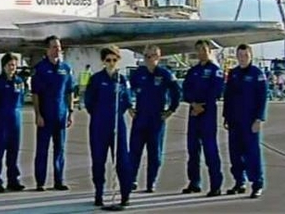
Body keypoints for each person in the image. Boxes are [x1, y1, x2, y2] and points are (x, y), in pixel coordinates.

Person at [85, 45, 133, 207]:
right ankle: (98, 193)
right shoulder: (96, 79)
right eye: (108, 60)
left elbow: (127, 101)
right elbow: (89, 103)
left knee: (122, 161)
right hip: (99, 126)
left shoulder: (122, 80)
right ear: (103, 61)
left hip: (117, 125)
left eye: (114, 60)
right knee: (98, 161)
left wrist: (116, 115)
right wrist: (101, 116)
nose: (111, 63)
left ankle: (125, 195)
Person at [129, 45, 180, 193]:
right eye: (146, 56)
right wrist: (129, 107)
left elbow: (176, 91)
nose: (148, 59)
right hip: (140, 119)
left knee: (155, 154)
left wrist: (171, 110)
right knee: (134, 152)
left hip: (156, 120)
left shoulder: (165, 74)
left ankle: (151, 182)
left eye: (151, 56)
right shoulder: (138, 74)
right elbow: (126, 91)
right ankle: (131, 179)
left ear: (158, 57)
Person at [223, 44, 268, 199]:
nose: (242, 59)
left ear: (251, 56)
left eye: (245, 56)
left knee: (252, 154)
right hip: (234, 121)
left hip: (250, 122)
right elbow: (228, 97)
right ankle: (239, 182)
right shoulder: (233, 74)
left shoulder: (257, 74)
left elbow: (263, 97)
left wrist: (259, 118)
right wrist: (226, 117)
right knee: (235, 154)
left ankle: (257, 184)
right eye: (240, 56)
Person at [31, 36, 75, 191]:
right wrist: (38, 114)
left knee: (60, 149)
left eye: (59, 47)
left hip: (61, 115)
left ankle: (59, 180)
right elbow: (35, 93)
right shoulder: (40, 69)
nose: (58, 50)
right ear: (48, 49)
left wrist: (70, 112)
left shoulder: (66, 68)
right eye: (54, 47)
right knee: (42, 149)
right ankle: (40, 182)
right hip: (45, 115)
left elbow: (69, 91)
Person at [181, 40, 224, 197]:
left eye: (204, 50)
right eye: (199, 50)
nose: (202, 53)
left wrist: (202, 106)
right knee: (193, 150)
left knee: (210, 150)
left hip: (207, 114)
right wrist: (193, 103)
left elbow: (217, 91)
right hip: (193, 113)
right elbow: (185, 90)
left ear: (209, 51)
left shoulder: (215, 71)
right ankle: (194, 182)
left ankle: (216, 185)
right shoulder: (193, 71)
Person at [0, 53, 25, 193]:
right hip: (2, 118)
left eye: (14, 65)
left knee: (13, 151)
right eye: (9, 65)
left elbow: (21, 98)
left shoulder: (19, 81)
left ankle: (13, 180)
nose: (12, 68)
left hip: (15, 118)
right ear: (4, 66)